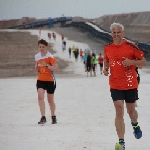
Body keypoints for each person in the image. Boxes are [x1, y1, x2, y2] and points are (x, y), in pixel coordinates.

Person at [103, 22, 146, 150]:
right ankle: (121, 141)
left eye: (118, 32)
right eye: (114, 33)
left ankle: (135, 124)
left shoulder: (131, 46)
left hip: (130, 83)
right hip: (115, 83)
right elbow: (106, 59)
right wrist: (106, 68)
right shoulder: (107, 48)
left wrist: (131, 62)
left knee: (131, 112)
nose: (116, 35)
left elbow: (143, 62)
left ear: (123, 33)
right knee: (119, 110)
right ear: (111, 34)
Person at [35, 39, 58, 125]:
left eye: (43, 47)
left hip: (50, 80)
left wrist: (47, 65)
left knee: (50, 100)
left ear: (46, 47)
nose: (41, 48)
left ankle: (53, 116)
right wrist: (37, 68)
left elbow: (56, 69)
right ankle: (43, 117)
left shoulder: (50, 57)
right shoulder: (37, 56)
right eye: (40, 47)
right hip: (40, 79)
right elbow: (36, 68)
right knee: (40, 97)